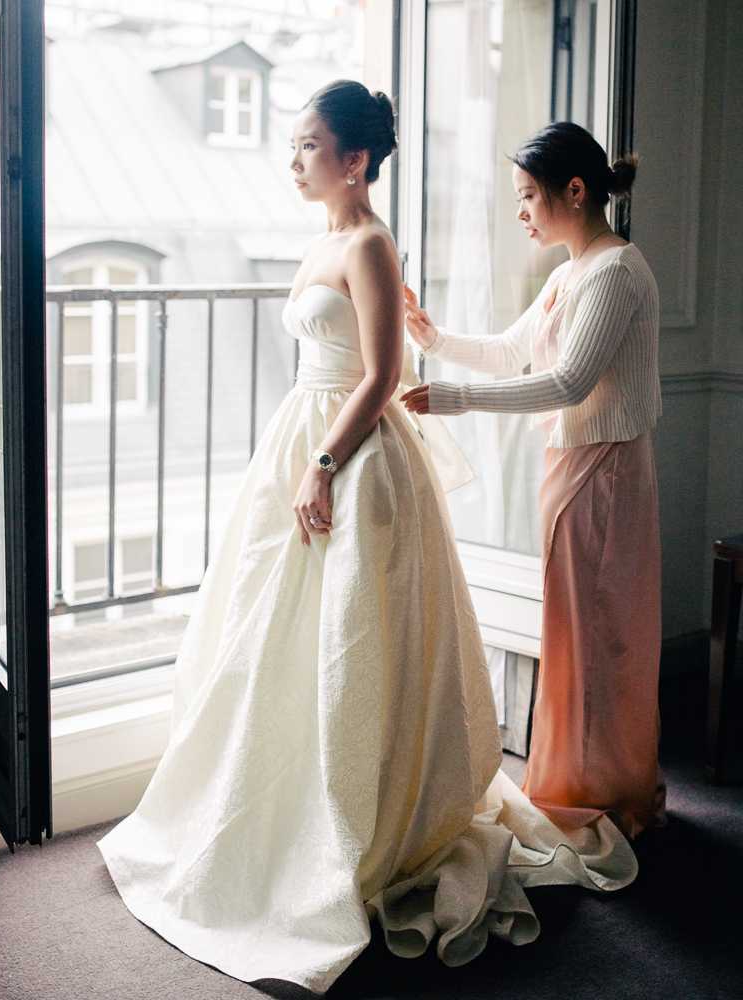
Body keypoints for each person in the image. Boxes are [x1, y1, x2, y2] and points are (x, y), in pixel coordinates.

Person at [97, 91, 637, 996]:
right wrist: (299, 455)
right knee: (271, 638)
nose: (293, 161)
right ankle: (264, 811)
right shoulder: (319, 240)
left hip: (351, 452)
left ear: (355, 161)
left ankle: (361, 821)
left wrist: (323, 461)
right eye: (293, 146)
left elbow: (384, 372)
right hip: (303, 438)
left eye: (308, 146)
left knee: (358, 640)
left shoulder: (372, 244)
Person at [401, 120, 667, 841]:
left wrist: (452, 398)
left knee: (599, 632)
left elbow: (568, 381)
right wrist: (435, 343)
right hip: (574, 465)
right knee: (575, 629)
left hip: (604, 470)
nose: (520, 211)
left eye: (528, 196)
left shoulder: (616, 270)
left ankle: (598, 786)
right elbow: (515, 350)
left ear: (574, 192)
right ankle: (579, 775)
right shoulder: (569, 272)